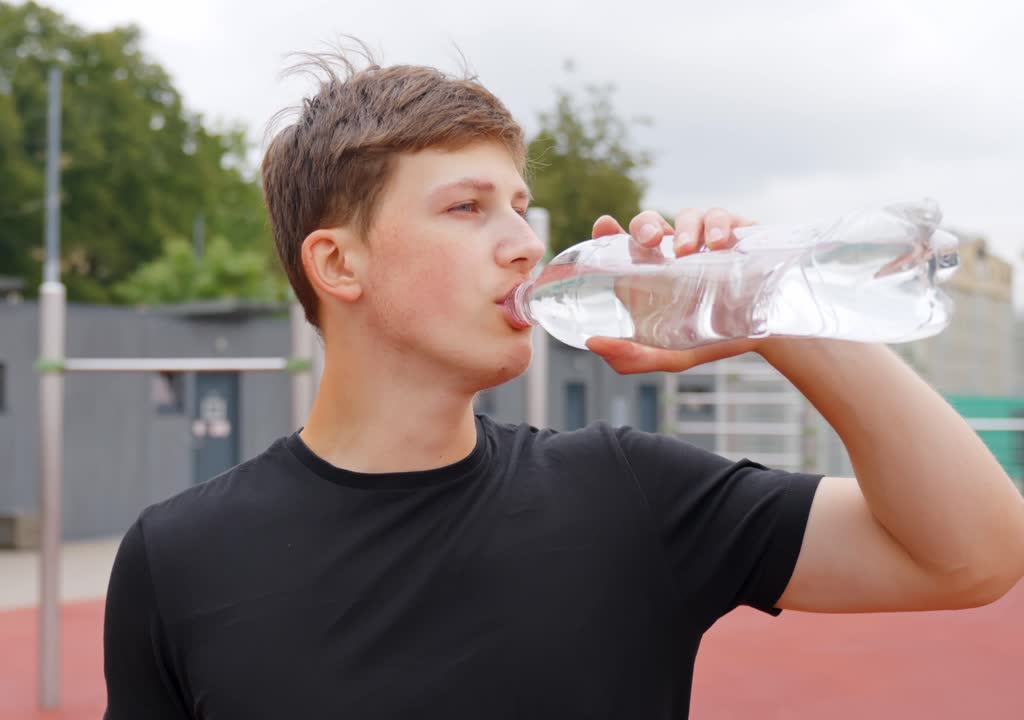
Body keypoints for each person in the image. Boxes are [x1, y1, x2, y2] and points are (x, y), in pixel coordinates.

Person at [102, 47, 1024, 719]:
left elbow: (975, 553)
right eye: (467, 208)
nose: (525, 243)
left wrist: (767, 306)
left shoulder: (628, 493)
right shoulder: (179, 557)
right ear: (338, 264)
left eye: (519, 207)